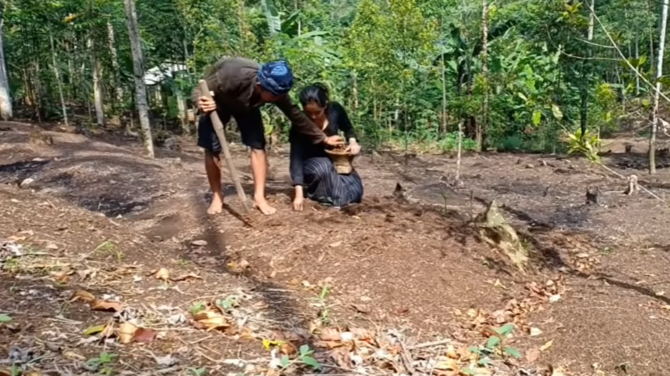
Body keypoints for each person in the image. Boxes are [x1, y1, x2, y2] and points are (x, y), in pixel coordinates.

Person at [193, 57, 343, 215]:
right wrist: (201, 102)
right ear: (260, 86)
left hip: (248, 107)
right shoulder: (231, 76)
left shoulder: (277, 90)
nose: (279, 99)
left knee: (258, 146)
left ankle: (259, 197)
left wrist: (324, 138)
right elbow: (198, 89)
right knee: (211, 148)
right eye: (275, 96)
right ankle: (217, 195)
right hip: (217, 103)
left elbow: (295, 114)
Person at [290, 84, 364, 211]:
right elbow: (295, 157)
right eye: (309, 112)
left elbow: (348, 128)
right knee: (324, 167)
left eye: (317, 112)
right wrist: (298, 193)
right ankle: (334, 199)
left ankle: (342, 197)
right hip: (310, 164)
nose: (313, 116)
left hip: (334, 161)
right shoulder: (300, 123)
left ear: (325, 105)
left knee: (356, 190)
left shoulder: (335, 110)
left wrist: (353, 142)